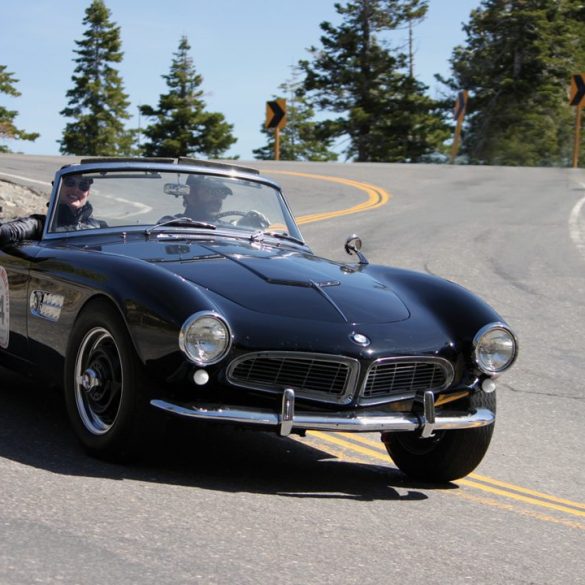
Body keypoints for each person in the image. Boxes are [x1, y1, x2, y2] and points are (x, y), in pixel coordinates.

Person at [0, 175, 101, 246]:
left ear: (88, 193)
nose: (76, 189)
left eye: (83, 186)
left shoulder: (99, 227)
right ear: (57, 187)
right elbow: (8, 231)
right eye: (70, 183)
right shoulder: (39, 225)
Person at [168, 174, 269, 228]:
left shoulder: (225, 228)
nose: (217, 199)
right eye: (210, 191)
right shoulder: (169, 222)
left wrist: (243, 227)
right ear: (191, 194)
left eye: (222, 193)